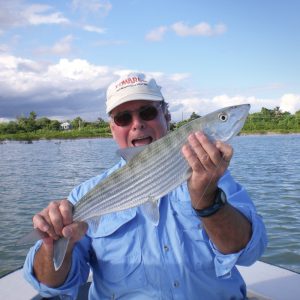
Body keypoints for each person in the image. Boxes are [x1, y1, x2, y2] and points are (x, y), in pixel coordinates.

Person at [24, 72, 267, 299]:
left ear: (167, 116)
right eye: (123, 117)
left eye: (148, 112)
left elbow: (249, 252)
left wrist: (208, 201)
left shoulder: (213, 178)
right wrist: (52, 244)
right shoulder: (83, 196)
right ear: (112, 128)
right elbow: (50, 284)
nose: (137, 124)